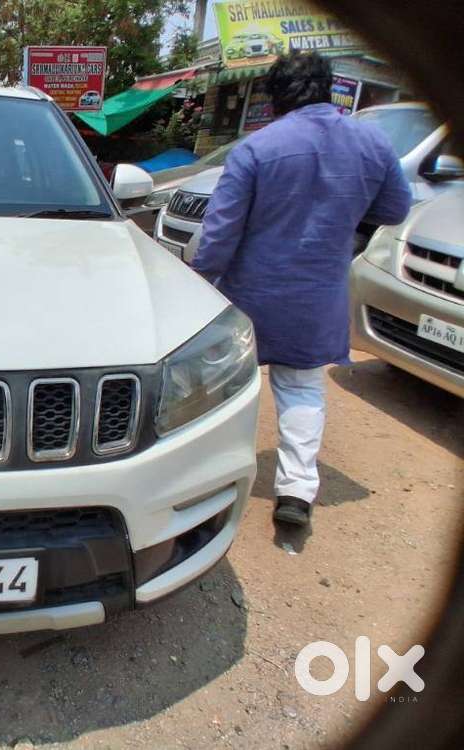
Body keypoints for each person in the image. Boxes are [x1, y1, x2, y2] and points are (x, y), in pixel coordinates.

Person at [191, 52, 411, 528]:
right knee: (302, 388)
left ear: (274, 100)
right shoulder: (371, 142)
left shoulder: (256, 149)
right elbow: (395, 209)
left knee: (224, 388)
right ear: (328, 89)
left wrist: (200, 281)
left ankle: (208, 481)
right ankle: (295, 491)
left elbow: (221, 232)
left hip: (249, 298)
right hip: (318, 296)